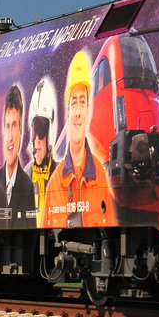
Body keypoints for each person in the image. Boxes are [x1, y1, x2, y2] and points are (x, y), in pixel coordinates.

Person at [43, 50, 115, 228]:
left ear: (88, 110)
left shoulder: (100, 176)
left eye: (82, 102)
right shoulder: (55, 182)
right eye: (73, 102)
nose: (77, 112)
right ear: (67, 111)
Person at [0, 85, 35, 228]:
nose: (10, 137)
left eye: (14, 125)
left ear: (21, 131)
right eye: (7, 126)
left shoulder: (27, 185)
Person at [27, 77, 57, 226]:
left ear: (50, 135)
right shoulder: (25, 176)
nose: (37, 140)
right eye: (35, 133)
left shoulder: (60, 173)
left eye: (42, 133)